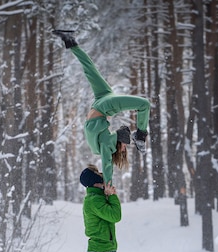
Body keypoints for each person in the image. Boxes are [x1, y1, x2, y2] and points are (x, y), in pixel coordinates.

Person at [54, 29, 150, 186]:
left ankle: (140, 135)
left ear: (118, 152)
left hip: (104, 106)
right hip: (102, 101)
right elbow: (118, 135)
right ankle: (71, 42)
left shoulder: (108, 147)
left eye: (124, 150)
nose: (126, 147)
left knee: (144, 104)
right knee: (90, 69)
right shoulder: (107, 142)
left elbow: (107, 165)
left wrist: (108, 185)